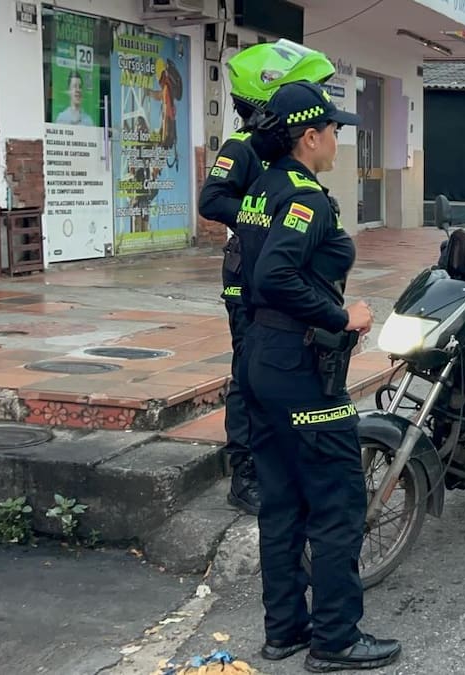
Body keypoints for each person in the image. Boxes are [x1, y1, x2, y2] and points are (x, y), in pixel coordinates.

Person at [237, 80, 401, 672]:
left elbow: (250, 275)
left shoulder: (262, 188)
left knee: (282, 499)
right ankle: (335, 640)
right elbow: (275, 276)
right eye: (333, 129)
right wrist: (343, 315)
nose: (337, 139)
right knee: (337, 499)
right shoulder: (305, 198)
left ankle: (285, 630)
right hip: (297, 363)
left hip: (261, 356)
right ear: (310, 136)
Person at [197, 40, 337, 515]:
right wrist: (264, 217)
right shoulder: (242, 147)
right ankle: (245, 474)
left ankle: (280, 463)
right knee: (248, 380)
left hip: (279, 282)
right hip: (247, 282)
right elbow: (211, 201)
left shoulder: (284, 152)